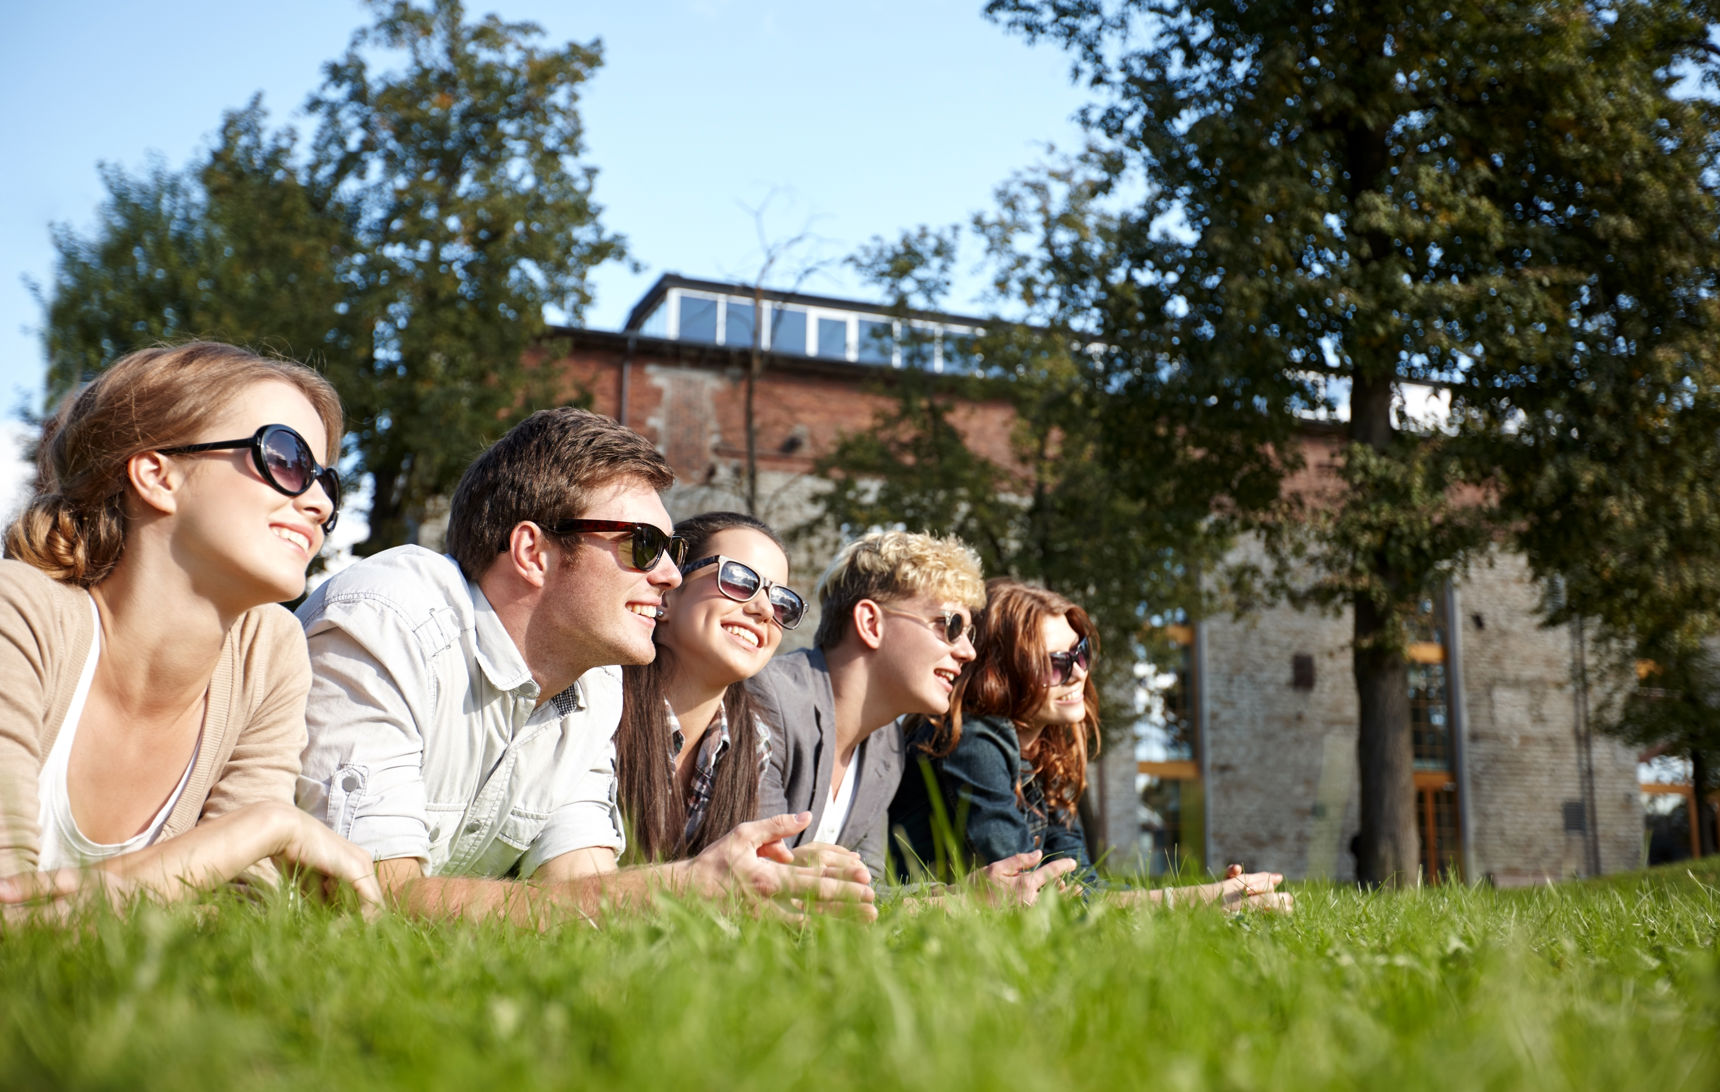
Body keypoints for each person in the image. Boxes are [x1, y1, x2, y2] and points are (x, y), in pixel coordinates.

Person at [296, 409, 873, 923]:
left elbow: (578, 898)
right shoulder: (390, 620)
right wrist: (681, 887)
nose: (671, 575)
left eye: (673, 552)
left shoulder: (595, 685)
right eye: (644, 546)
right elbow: (364, 897)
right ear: (532, 553)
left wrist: (754, 893)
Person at [0, 342, 381, 916]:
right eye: (285, 457)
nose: (321, 503)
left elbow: (237, 918)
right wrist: (265, 828)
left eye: (327, 479)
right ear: (157, 475)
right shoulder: (20, 614)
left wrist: (248, 841)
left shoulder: (268, 653)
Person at [890, 578, 1292, 912]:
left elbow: (1081, 883)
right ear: (1001, 672)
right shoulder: (971, 740)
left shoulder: (1042, 748)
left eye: (1081, 654)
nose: (1078, 673)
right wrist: (1192, 901)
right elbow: (1033, 896)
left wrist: (1211, 901)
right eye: (1056, 663)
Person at [747, 530, 1075, 902]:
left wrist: (962, 898)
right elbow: (763, 882)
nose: (968, 651)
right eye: (950, 626)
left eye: (969, 633)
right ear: (871, 623)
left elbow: (865, 894)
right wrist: (959, 903)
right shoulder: (767, 699)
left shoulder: (885, 744)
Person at [615, 511, 867, 881]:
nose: (765, 610)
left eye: (782, 601)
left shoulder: (755, 741)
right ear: (666, 594)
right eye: (737, 579)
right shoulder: (600, 709)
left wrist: (789, 874)